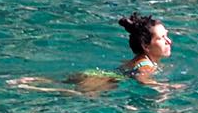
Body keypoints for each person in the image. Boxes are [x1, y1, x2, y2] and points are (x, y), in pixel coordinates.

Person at [13, 11, 171, 93]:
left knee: (58, 83)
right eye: (161, 38)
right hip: (100, 81)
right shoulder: (146, 65)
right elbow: (142, 78)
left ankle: (31, 80)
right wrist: (164, 88)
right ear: (146, 46)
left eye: (166, 35)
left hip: (95, 75)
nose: (168, 41)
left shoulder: (140, 60)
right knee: (61, 92)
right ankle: (29, 86)